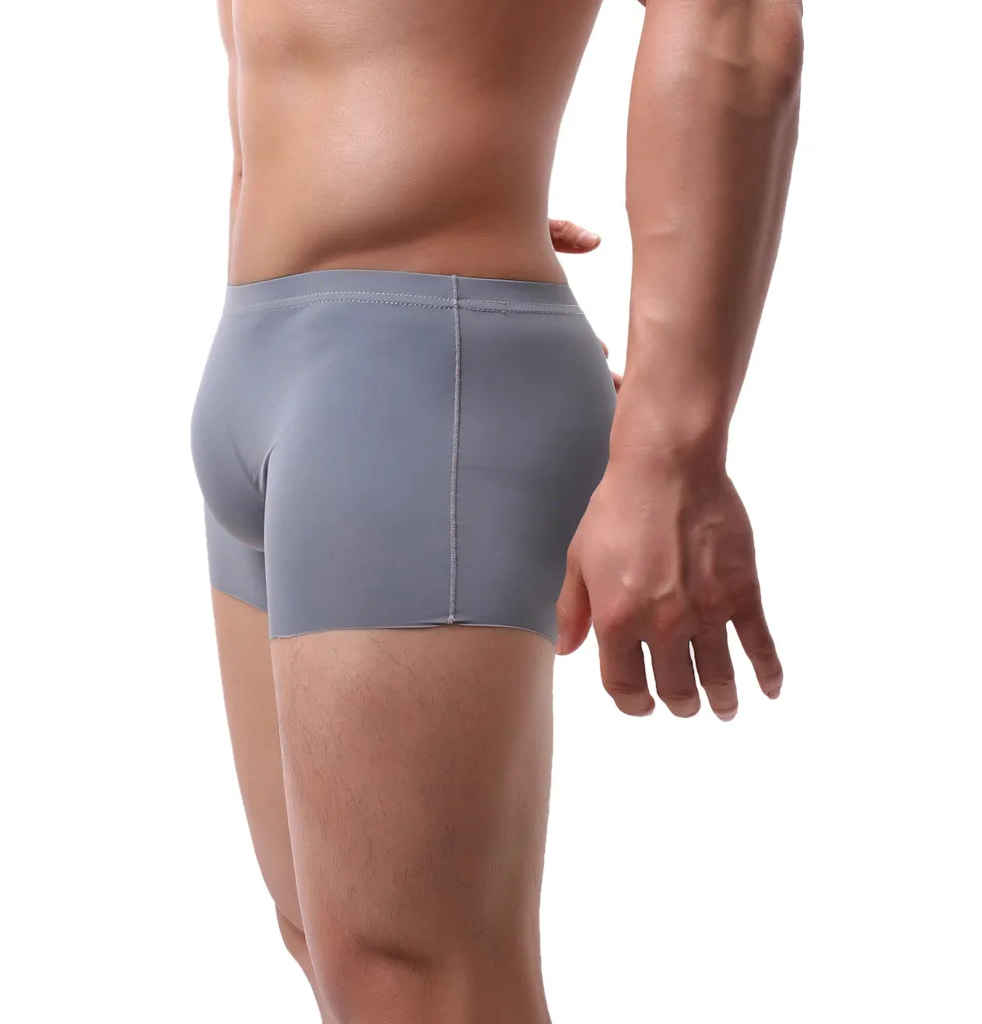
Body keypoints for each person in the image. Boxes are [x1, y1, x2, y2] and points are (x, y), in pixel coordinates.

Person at [188, 0, 802, 1020]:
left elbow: (736, 19)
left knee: (414, 974)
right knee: (337, 949)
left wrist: (672, 449)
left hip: (414, 372)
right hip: (266, 351)